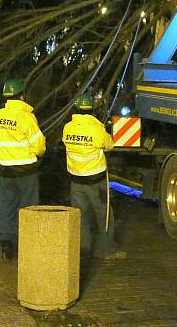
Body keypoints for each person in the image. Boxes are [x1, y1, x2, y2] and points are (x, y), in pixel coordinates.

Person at [62, 93, 125, 260]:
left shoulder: (68, 128)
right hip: (97, 181)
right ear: (92, 110)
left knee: (80, 216)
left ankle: (83, 251)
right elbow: (109, 146)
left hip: (76, 179)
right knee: (104, 216)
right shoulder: (97, 129)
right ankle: (108, 250)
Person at [0, 79, 46, 260]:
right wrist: (37, 154)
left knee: (6, 208)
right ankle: (27, 246)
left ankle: (6, 246)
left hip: (5, 170)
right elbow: (39, 145)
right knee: (28, 208)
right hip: (26, 171)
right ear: (22, 96)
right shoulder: (26, 117)